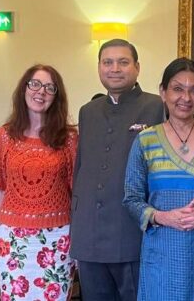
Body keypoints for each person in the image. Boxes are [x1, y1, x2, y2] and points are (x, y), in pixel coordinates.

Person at [123, 57, 194, 300]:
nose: (186, 98)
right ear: (163, 92)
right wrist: (164, 217)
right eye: (177, 89)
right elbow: (132, 199)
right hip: (161, 256)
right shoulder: (145, 140)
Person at [70, 39, 164, 301]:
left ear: (137, 67)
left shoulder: (156, 107)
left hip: (133, 235)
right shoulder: (88, 111)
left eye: (123, 62)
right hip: (89, 235)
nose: (114, 69)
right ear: (99, 67)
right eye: (107, 62)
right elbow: (82, 169)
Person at [0, 65, 78, 301]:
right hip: (12, 240)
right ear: (24, 89)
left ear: (57, 96)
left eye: (50, 87)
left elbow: (76, 192)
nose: (41, 92)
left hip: (58, 239)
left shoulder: (69, 139)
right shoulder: (4, 136)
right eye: (35, 84)